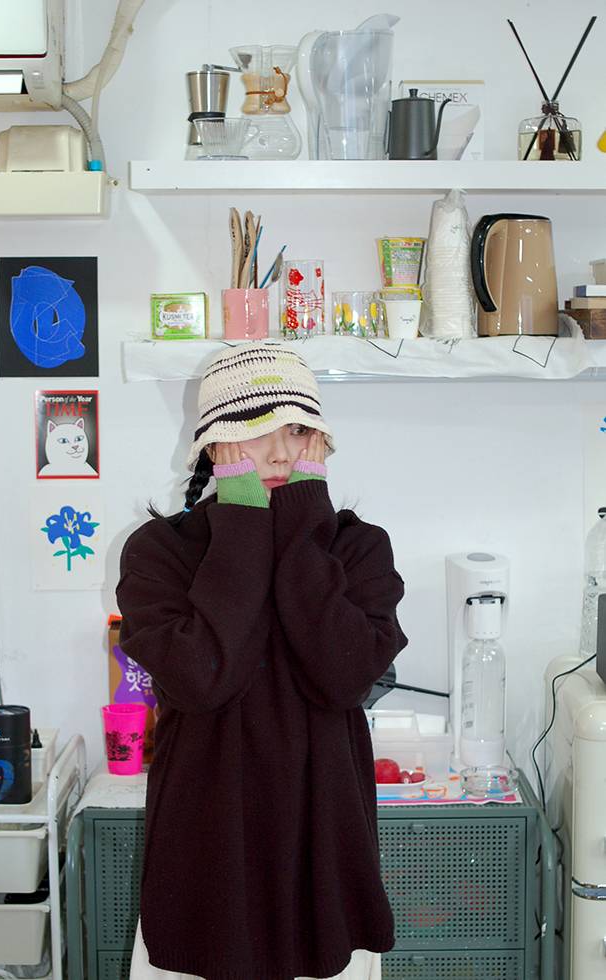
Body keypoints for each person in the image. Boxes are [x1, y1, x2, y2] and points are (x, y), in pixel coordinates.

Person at [116, 343, 408, 980]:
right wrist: (244, 524)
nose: (280, 452)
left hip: (323, 844)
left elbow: (343, 676)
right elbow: (203, 678)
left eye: (298, 431)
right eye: (257, 428)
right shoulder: (160, 552)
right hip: (208, 848)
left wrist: (302, 528)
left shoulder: (357, 548)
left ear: (321, 442)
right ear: (213, 444)